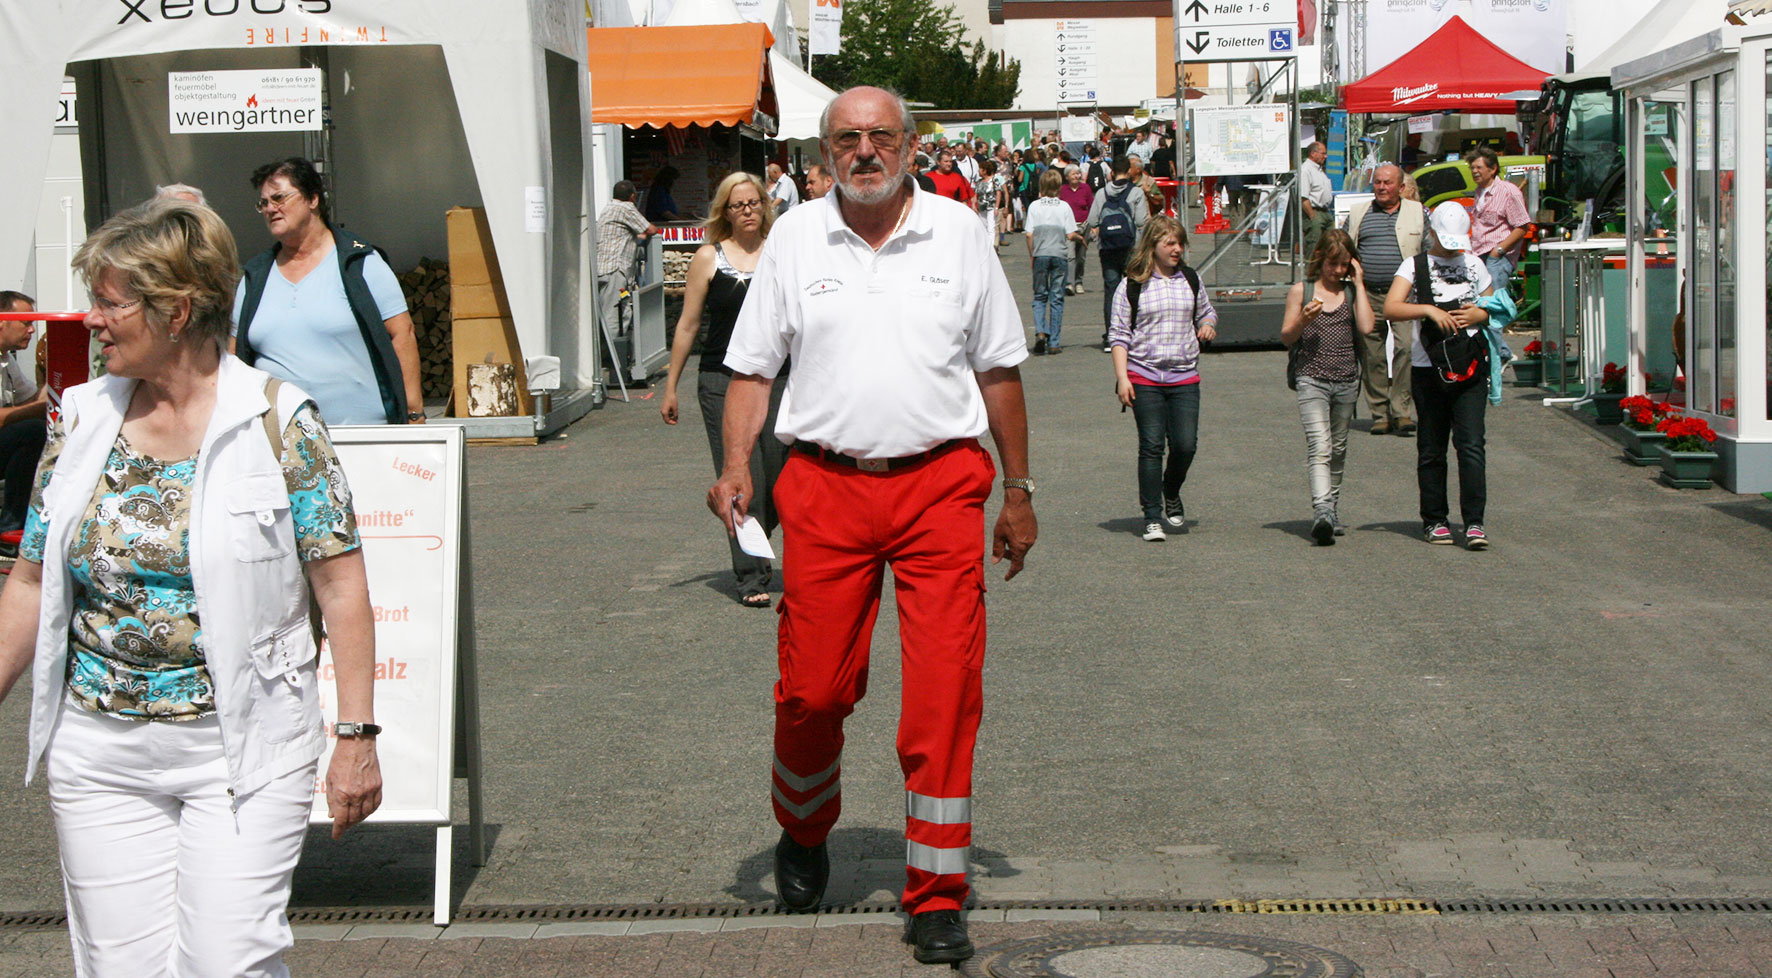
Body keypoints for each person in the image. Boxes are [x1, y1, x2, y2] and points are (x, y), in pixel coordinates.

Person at [0, 198, 382, 977]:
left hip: (241, 750)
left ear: (176, 309)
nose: (92, 320)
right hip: (98, 749)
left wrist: (356, 739)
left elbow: (342, 590)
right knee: (120, 969)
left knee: (227, 962)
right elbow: (30, 583)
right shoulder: (78, 420)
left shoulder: (278, 421)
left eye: (110, 302)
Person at [708, 85, 1036, 966]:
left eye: (880, 136)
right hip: (823, 488)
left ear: (910, 145)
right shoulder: (794, 237)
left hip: (939, 489)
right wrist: (737, 467)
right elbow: (750, 370)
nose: (864, 151)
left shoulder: (962, 235)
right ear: (824, 152)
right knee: (814, 689)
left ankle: (936, 891)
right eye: (847, 138)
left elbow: (1000, 368)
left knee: (943, 695)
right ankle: (804, 827)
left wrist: (1019, 489)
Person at [660, 172, 786, 608]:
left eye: (753, 203)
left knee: (779, 478)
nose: (747, 211)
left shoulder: (781, 253)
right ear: (724, 212)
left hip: (778, 377)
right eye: (738, 205)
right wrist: (671, 386)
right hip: (720, 379)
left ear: (765, 207)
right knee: (739, 475)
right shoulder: (709, 257)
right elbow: (689, 324)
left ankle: (758, 540)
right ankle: (751, 575)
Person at [233, 157, 422, 426]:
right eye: (263, 203)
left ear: (313, 199)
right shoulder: (256, 276)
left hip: (360, 438)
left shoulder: (358, 263)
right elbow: (233, 354)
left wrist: (413, 413)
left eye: (279, 198)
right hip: (278, 443)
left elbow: (402, 333)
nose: (270, 209)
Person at [1384, 201, 1495, 550]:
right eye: (1445, 240)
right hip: (1427, 367)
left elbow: (1496, 305)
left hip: (1470, 366)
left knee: (1471, 445)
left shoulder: (1474, 264)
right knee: (1432, 447)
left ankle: (1474, 522)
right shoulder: (1414, 265)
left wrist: (1480, 315)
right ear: (1432, 233)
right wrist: (1428, 309)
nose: (1451, 247)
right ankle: (1434, 518)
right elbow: (1392, 307)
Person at [1108, 216, 1216, 542]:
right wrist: (1122, 378)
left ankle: (1171, 490)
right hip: (1144, 375)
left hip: (1184, 375)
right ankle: (1152, 515)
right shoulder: (1132, 285)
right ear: (1153, 245)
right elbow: (1118, 335)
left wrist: (1208, 324)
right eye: (1169, 243)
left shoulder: (1191, 279)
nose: (1177, 249)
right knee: (1152, 446)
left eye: (1179, 243)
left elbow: (1207, 311)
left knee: (1185, 445)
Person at [1280, 230, 1377, 545]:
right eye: (1333, 263)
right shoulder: (1302, 291)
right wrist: (1303, 321)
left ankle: (1331, 509)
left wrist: (1359, 284)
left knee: (1338, 448)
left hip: (1347, 380)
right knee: (1319, 446)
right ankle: (1321, 508)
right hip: (1312, 379)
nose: (1338, 271)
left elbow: (1366, 327)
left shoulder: (1351, 293)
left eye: (1344, 265)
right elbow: (1286, 336)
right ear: (1320, 259)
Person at [1347, 163, 1425, 436]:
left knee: (1405, 349)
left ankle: (1402, 411)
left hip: (1404, 296)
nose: (1381, 187)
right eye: (1377, 182)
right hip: (1368, 294)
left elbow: (1426, 250)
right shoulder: (1360, 213)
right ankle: (1380, 413)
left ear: (1401, 187)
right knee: (1372, 355)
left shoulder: (1419, 213)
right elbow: (1346, 248)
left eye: (1387, 183)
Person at [1088, 155, 1151, 351]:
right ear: (1130, 172)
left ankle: (1111, 337)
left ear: (1112, 172)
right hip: (1132, 247)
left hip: (1107, 248)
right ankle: (1132, 332)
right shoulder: (1136, 193)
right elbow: (1142, 221)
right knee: (1133, 288)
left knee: (1111, 291)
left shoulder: (1101, 194)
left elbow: (1092, 221)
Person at [0, 291, 47, 541]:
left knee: (38, 430)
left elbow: (30, 401)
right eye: (26, 322)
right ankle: (9, 529)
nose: (32, 329)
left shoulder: (6, 360)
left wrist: (53, 378)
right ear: (2, 323)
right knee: (34, 431)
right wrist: (39, 409)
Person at [1026, 169, 1083, 356]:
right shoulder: (1064, 207)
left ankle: (1041, 331)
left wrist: (1032, 254)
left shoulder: (1035, 206)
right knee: (1056, 298)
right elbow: (1070, 234)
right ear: (1059, 186)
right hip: (1059, 255)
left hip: (1040, 254)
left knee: (1040, 296)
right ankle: (1054, 342)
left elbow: (1029, 234)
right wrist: (1080, 238)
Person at [596, 180, 661, 338]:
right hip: (615, 271)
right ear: (632, 196)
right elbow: (650, 229)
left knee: (623, 309)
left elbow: (629, 232)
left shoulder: (609, 208)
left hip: (605, 269)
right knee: (613, 313)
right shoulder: (625, 208)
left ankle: (621, 351)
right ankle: (613, 356)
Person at [1467, 147, 1530, 296]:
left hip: (1497, 259)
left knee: (1494, 304)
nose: (1474, 171)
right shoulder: (1479, 191)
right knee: (1481, 303)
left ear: (1493, 169)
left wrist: (1499, 251)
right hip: (1478, 255)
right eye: (1472, 168)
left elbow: (1522, 226)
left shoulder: (1509, 191)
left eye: (1479, 167)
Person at [1058, 165, 1094, 295]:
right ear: (1067, 177)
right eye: (1073, 174)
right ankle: (1070, 283)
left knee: (1081, 257)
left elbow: (1091, 206)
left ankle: (1079, 281)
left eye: (1078, 174)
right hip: (1068, 228)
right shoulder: (1062, 190)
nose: (1076, 176)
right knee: (1070, 256)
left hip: (1084, 226)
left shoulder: (1086, 188)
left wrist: (1094, 225)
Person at [1298, 140, 1334, 263]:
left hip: (1325, 212)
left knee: (1330, 246)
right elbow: (1303, 196)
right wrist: (1312, 216)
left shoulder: (1318, 170)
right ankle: (1310, 278)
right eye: (1323, 153)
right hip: (1314, 212)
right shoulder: (1305, 170)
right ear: (1313, 154)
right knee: (1314, 248)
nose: (1326, 156)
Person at [975, 158, 1006, 246]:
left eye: (980, 169)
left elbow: (998, 193)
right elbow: (976, 194)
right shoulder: (979, 182)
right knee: (983, 227)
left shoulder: (994, 180)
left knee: (991, 228)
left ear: (984, 171)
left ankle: (991, 247)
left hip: (991, 207)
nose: (979, 171)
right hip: (981, 208)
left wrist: (996, 207)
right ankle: (983, 245)